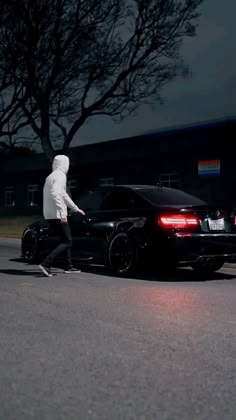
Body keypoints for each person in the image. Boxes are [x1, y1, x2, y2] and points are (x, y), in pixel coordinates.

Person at [39, 154, 85, 277]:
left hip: (49, 214)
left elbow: (63, 194)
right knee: (68, 241)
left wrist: (75, 208)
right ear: (65, 164)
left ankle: (68, 266)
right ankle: (46, 264)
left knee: (64, 240)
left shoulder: (51, 176)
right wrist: (62, 213)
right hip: (57, 214)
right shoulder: (60, 176)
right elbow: (56, 194)